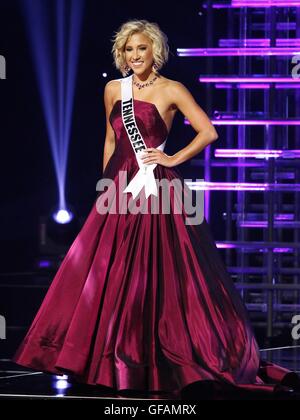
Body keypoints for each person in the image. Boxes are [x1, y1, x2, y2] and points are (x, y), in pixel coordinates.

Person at [13, 19, 299, 399]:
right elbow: (110, 140)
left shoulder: (171, 89)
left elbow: (208, 131)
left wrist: (171, 157)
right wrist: (105, 187)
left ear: (155, 51)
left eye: (141, 49)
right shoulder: (114, 88)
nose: (134, 56)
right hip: (119, 187)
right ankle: (103, 358)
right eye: (128, 50)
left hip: (155, 185)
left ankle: (153, 357)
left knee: (155, 270)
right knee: (106, 271)